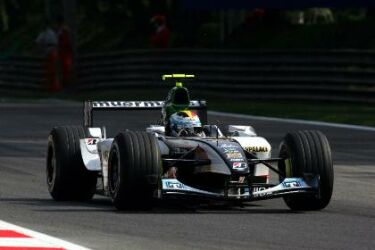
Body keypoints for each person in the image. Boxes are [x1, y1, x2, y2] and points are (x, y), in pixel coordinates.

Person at [35, 21, 60, 92]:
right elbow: (37, 41)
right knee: (48, 70)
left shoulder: (50, 33)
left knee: (53, 70)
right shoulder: (43, 33)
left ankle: (54, 87)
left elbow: (55, 43)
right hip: (47, 52)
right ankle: (48, 87)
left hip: (52, 51)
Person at [57, 16, 73, 87]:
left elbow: (65, 41)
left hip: (65, 50)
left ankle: (66, 81)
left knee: (66, 67)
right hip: (63, 50)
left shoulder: (63, 30)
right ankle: (65, 81)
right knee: (65, 67)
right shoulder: (62, 30)